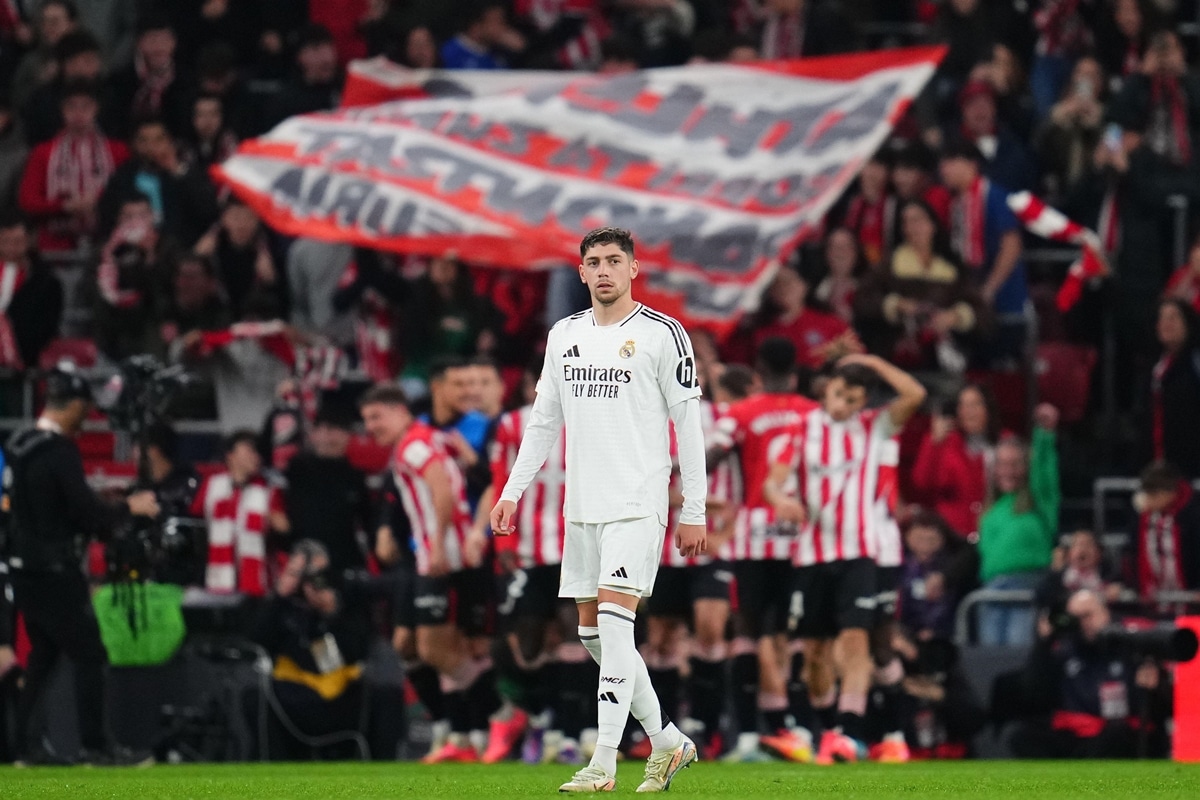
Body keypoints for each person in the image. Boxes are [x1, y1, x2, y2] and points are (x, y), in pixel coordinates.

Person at [491, 226, 704, 792]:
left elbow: (689, 426)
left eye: (615, 260)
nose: (604, 269)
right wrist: (512, 491)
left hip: (637, 501)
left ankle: (604, 761)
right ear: (581, 273)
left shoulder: (664, 334)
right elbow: (543, 424)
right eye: (594, 262)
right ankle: (666, 740)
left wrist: (695, 509)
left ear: (634, 269)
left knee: (614, 625)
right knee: (593, 635)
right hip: (582, 506)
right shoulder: (563, 335)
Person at [765, 353, 927, 765]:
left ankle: (849, 731)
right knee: (816, 654)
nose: (841, 405)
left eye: (852, 400)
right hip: (811, 554)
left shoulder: (875, 428)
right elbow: (772, 482)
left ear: (863, 403)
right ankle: (827, 730)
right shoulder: (800, 430)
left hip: (860, 553)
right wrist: (780, 500)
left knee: (857, 640)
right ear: (826, 388)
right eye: (838, 394)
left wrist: (871, 361)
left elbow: (915, 393)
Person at [5, 369, 159, 766]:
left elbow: (49, 504)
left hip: (23, 567)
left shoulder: (19, 442)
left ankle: (22, 748)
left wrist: (98, 499)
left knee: (44, 655)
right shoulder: (59, 451)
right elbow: (88, 515)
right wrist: (128, 507)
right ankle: (96, 747)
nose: (86, 418)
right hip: (55, 570)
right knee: (90, 653)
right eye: (84, 410)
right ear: (73, 407)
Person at [360, 384, 500, 764]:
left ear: (400, 411)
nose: (371, 426)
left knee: (434, 648)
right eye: (367, 419)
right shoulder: (422, 440)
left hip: (446, 557)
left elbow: (442, 488)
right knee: (432, 647)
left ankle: (500, 713)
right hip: (437, 556)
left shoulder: (414, 445)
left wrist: (437, 541)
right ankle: (463, 733)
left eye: (377, 416)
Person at [706, 337, 818, 764]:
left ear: (757, 369)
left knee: (748, 637)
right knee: (797, 638)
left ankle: (750, 738)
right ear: (795, 372)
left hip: (754, 537)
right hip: (803, 538)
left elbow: (712, 458)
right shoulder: (814, 414)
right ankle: (803, 730)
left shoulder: (740, 413)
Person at [483, 354, 583, 764]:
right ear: (531, 386)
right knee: (526, 645)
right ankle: (539, 716)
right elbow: (500, 480)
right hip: (528, 547)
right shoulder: (512, 424)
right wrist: (503, 545)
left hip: (579, 543)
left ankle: (572, 732)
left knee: (578, 634)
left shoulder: (594, 415)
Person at [1010, 589, 1169, 758]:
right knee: (1021, 736)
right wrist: (1042, 645)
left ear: (1105, 613)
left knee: (1117, 736)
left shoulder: (1131, 644)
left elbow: (1161, 707)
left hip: (1118, 731)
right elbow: (1034, 695)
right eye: (1076, 619)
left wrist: (1155, 687)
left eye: (1088, 616)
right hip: (1076, 733)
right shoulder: (1063, 649)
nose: (1084, 623)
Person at [250, 539, 371, 760]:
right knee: (254, 696)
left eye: (318, 575)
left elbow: (352, 653)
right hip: (290, 689)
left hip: (338, 693)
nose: (311, 583)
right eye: (302, 575)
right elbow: (258, 638)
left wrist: (330, 614)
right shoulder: (284, 608)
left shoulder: (346, 599)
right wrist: (281, 594)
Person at [853, 199, 986, 373]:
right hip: (898, 360)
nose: (912, 227)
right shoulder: (888, 266)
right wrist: (898, 305)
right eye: (906, 222)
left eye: (918, 220)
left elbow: (983, 313)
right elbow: (861, 301)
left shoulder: (953, 269)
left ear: (933, 225)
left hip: (946, 362)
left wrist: (954, 317)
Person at [976, 404, 1061, 647]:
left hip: (1026, 590)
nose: (1008, 471)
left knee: (1019, 659)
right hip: (990, 593)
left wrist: (1044, 435)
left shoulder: (1039, 501)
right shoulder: (991, 510)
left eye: (1015, 464)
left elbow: (1045, 471)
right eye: (1002, 464)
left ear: (1027, 467)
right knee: (992, 665)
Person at [940, 141, 1029, 367]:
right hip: (973, 305)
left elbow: (1011, 246)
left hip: (1002, 305)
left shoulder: (994, 197)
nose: (944, 169)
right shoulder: (957, 204)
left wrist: (989, 290)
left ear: (971, 165)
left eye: (951, 162)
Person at [18, 79, 127, 253]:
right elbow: (28, 200)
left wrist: (97, 200)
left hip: (108, 243)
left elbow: (126, 193)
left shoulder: (117, 151)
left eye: (85, 107)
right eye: (71, 107)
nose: (78, 114)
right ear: (62, 111)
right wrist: (64, 206)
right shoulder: (43, 152)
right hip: (54, 243)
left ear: (96, 109)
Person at [189, 430, 289, 597]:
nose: (256, 457)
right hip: (219, 582)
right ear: (231, 456)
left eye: (257, 452)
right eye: (249, 450)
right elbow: (194, 520)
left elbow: (284, 529)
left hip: (257, 585)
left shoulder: (269, 491)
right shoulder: (212, 486)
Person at [283, 406, 372, 574]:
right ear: (313, 434)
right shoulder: (296, 469)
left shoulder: (355, 476)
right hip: (301, 558)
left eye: (337, 430)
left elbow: (367, 521)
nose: (330, 437)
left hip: (344, 559)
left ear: (348, 435)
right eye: (325, 430)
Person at [910, 383, 1002, 538]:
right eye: (963, 405)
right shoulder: (946, 443)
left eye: (975, 404)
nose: (968, 411)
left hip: (994, 533)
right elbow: (923, 482)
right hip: (951, 535)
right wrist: (933, 443)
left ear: (989, 408)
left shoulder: (1005, 443)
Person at [0, 213, 63, 374]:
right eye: (5, 241)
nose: (11, 248)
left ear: (30, 240)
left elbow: (47, 328)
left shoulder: (46, 282)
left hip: (26, 367)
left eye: (17, 241)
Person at [1147, 299, 1200, 478]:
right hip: (1158, 457)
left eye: (1173, 318)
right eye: (1162, 318)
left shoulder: (1194, 363)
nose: (1166, 324)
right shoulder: (1154, 365)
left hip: (1190, 461)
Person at [1133, 461, 1200, 602]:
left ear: (1169, 494)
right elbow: (1132, 553)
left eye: (1152, 496)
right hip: (1153, 598)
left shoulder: (1193, 515)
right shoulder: (1143, 518)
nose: (1147, 500)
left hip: (1191, 597)